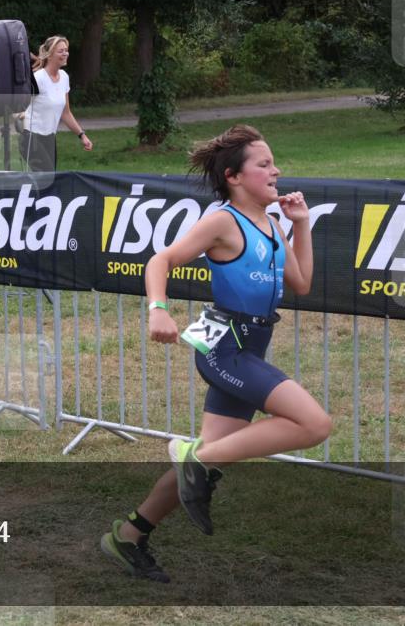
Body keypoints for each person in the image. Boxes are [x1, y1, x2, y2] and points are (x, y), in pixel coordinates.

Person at [100, 124, 331, 582]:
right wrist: (158, 310)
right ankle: (193, 457)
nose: (276, 171)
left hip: (251, 345)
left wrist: (301, 224)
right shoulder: (223, 221)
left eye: (273, 163)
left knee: (209, 456)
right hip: (227, 350)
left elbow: (301, 282)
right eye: (264, 164)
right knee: (314, 424)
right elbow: (160, 260)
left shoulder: (271, 224)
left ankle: (128, 535)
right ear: (234, 177)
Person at [18, 35, 93, 172]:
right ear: (50, 55)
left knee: (49, 179)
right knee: (47, 177)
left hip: (50, 139)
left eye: (66, 50)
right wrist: (20, 115)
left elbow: (66, 113)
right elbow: (18, 104)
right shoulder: (38, 78)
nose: (65, 54)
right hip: (31, 138)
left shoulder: (64, 77)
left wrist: (82, 135)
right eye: (61, 51)